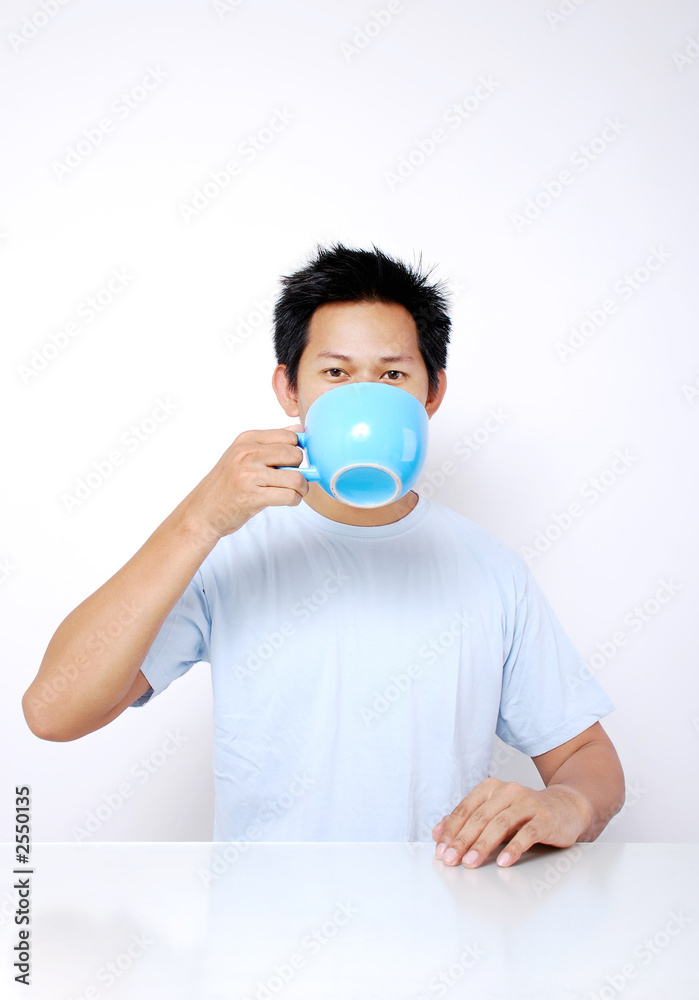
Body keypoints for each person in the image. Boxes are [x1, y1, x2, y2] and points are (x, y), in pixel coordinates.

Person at [23, 243, 624, 868]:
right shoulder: (226, 551)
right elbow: (52, 711)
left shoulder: (489, 569)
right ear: (289, 388)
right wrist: (198, 520)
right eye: (335, 373)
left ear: (432, 393)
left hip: (442, 915)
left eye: (392, 375)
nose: (363, 394)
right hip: (261, 919)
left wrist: (568, 805)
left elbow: (586, 757)